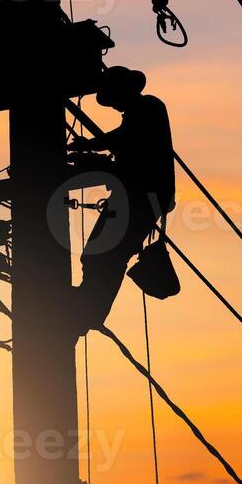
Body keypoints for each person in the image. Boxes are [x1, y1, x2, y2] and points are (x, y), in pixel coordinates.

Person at [70, 66, 175, 331]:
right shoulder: (138, 114)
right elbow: (123, 141)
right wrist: (92, 148)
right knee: (101, 255)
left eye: (115, 99)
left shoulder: (149, 108)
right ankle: (87, 309)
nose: (115, 106)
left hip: (140, 197)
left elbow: (126, 141)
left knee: (104, 255)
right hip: (138, 197)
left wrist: (91, 149)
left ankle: (87, 312)